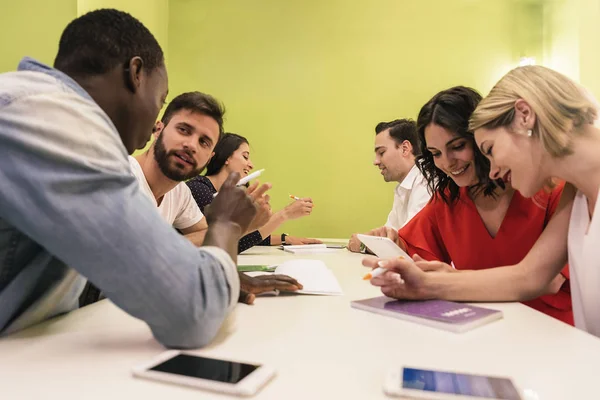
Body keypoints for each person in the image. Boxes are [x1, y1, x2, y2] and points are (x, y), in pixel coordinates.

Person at [0, 9, 266, 348]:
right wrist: (226, 225)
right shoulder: (58, 123)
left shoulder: (30, 103)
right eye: (161, 99)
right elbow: (194, 313)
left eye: (204, 141)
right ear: (135, 73)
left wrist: (204, 271)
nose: (156, 114)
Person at [365, 86, 572, 324]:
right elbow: (411, 246)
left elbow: (545, 279)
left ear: (483, 136)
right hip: (484, 325)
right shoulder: (449, 198)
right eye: (436, 153)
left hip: (552, 328)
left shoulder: (551, 188)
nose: (448, 163)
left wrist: (449, 281)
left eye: (457, 147)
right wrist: (389, 242)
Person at [129, 92, 302, 303]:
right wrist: (231, 227)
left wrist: (232, 277)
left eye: (204, 142)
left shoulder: (180, 192)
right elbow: (140, 265)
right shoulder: (121, 177)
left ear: (210, 156)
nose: (192, 145)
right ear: (158, 129)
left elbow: (207, 240)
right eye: (184, 130)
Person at [187, 133, 321, 253]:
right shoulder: (199, 189)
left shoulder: (229, 194)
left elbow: (244, 234)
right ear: (226, 157)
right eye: (245, 156)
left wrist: (285, 238)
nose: (251, 165)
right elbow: (228, 243)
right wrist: (284, 214)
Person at [347, 119, 430, 252]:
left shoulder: (427, 183)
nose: (376, 161)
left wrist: (364, 245)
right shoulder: (403, 188)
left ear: (405, 149)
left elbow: (407, 246)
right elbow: (388, 237)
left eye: (381, 153)